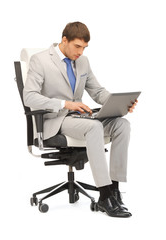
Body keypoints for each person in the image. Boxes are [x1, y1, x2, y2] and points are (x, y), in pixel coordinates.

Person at [23, 21, 137, 218]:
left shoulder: (83, 62)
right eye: (77, 46)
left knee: (122, 125)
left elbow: (97, 91)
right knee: (94, 128)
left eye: (84, 48)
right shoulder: (39, 60)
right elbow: (29, 96)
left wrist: (118, 103)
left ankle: (115, 191)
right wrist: (64, 104)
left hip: (81, 117)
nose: (81, 52)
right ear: (64, 40)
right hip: (56, 120)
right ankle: (104, 195)